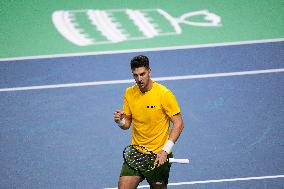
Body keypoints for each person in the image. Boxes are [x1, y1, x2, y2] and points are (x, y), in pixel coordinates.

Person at [113, 55, 184, 189]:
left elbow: (179, 123)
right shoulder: (129, 93)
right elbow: (127, 125)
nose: (139, 79)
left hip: (158, 155)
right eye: (135, 75)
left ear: (149, 71)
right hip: (136, 153)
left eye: (142, 74)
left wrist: (165, 151)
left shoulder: (164, 94)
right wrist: (120, 120)